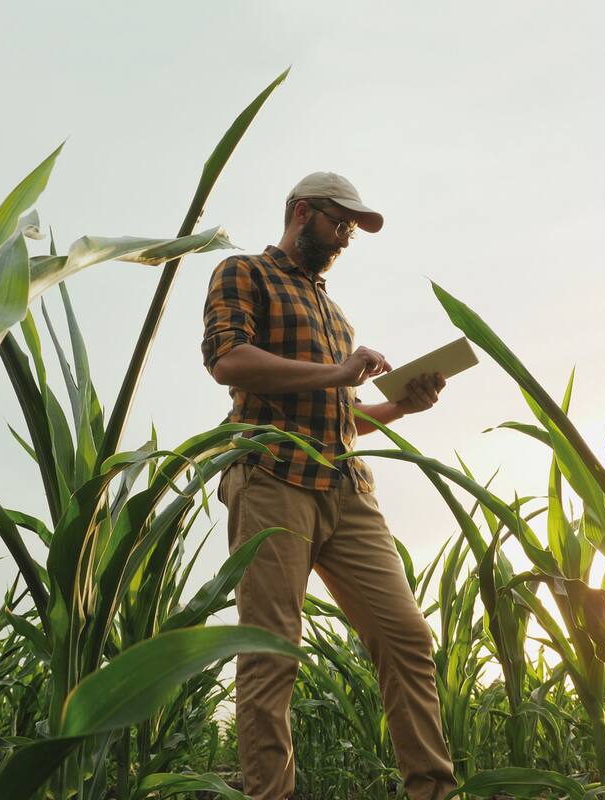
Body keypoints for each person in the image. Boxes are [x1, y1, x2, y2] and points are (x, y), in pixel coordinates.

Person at [201, 171, 458, 800]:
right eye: (338, 221)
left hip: (347, 486)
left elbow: (343, 413)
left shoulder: (335, 315)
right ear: (300, 212)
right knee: (271, 650)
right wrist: (337, 371)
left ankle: (432, 790)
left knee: (406, 636)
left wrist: (402, 407)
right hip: (272, 478)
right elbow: (226, 360)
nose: (345, 236)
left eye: (352, 227)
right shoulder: (243, 273)